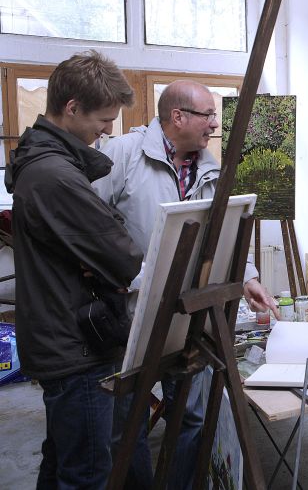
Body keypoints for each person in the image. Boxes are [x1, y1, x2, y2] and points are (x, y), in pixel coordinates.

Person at [93, 79, 278, 489]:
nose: (215, 123)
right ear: (178, 117)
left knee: (191, 416)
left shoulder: (210, 168)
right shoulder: (124, 154)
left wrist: (247, 276)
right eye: (208, 114)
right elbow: (88, 225)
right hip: (132, 316)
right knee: (128, 421)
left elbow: (222, 232)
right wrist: (119, 276)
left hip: (190, 315)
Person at [5, 50, 143, 489]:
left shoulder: (44, 163)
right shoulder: (55, 175)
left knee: (63, 462)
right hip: (75, 346)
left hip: (58, 337)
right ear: (71, 108)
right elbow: (124, 256)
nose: (108, 131)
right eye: (103, 120)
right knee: (86, 473)